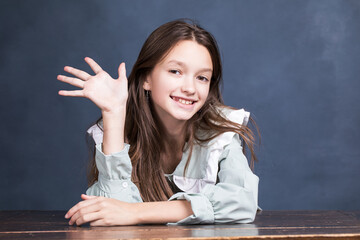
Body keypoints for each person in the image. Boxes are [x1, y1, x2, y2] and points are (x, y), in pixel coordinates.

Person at [57, 19, 260, 226]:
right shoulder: (119, 128)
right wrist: (113, 112)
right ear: (147, 79)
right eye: (176, 72)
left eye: (202, 78)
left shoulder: (219, 132)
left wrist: (135, 212)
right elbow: (109, 211)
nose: (190, 88)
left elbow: (242, 203)